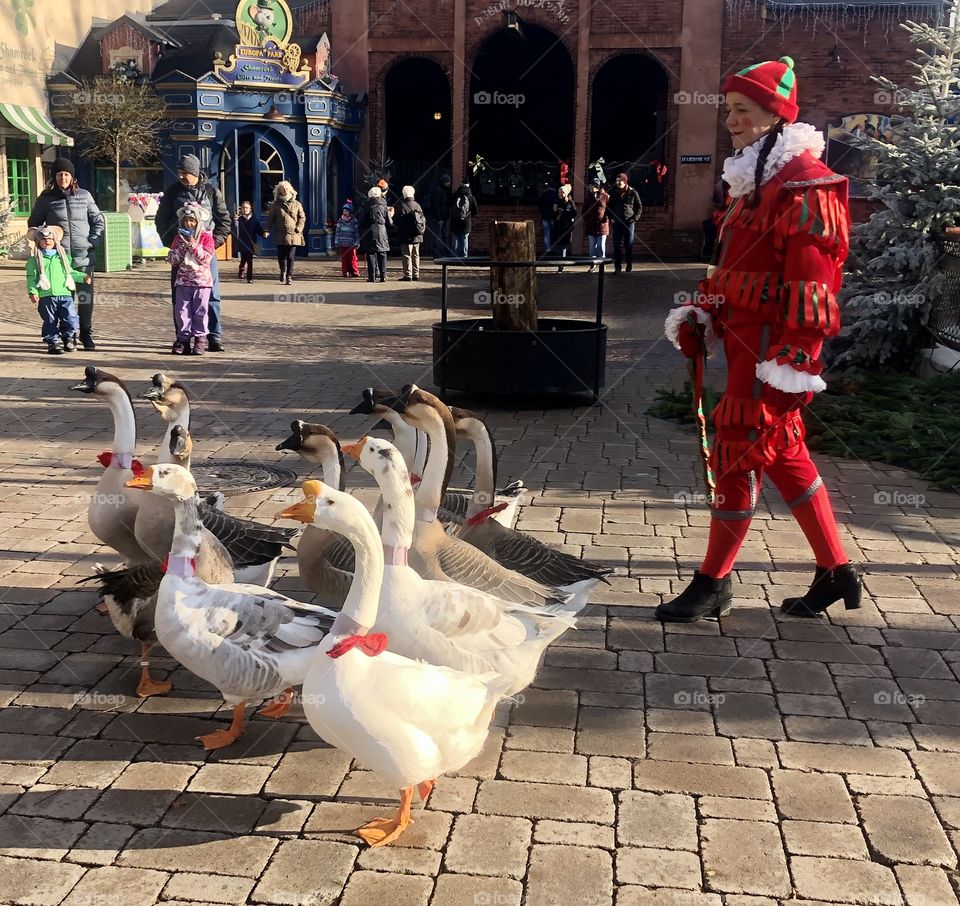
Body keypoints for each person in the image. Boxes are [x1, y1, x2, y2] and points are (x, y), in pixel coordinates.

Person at [660, 55, 861, 623]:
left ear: (776, 113)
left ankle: (713, 582)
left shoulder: (804, 186)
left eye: (741, 110)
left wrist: (795, 360)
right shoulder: (754, 182)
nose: (730, 121)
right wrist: (703, 308)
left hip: (772, 352)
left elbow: (814, 283)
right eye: (728, 111)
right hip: (744, 343)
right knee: (786, 454)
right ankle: (835, 569)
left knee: (737, 452)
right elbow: (733, 266)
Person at [156, 154, 231, 351]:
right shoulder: (173, 192)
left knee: (210, 296)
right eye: (179, 172)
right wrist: (172, 243)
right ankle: (182, 338)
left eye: (186, 172)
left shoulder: (211, 192)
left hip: (206, 255)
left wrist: (212, 245)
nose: (181, 176)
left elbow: (224, 220)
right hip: (181, 253)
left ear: (196, 173)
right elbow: (161, 219)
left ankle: (213, 337)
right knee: (180, 298)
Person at [28, 158, 103, 350]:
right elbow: (33, 224)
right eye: (59, 174)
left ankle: (86, 333)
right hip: (59, 262)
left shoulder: (84, 196)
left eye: (66, 174)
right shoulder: (46, 199)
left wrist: (92, 241)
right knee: (63, 302)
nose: (63, 178)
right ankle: (68, 336)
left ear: (72, 177)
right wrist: (43, 242)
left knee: (85, 300)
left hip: (84, 257)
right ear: (54, 177)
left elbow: (98, 221)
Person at [27, 225, 90, 355]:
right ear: (38, 242)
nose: (47, 241)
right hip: (46, 295)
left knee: (71, 317)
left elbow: (70, 272)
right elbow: (31, 277)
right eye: (44, 240)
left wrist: (83, 277)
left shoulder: (62, 258)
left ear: (55, 241)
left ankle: (68, 338)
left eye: (50, 239)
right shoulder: (34, 260)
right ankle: (52, 342)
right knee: (50, 320)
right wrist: (33, 292)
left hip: (64, 294)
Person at [166, 202, 215, 356]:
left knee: (200, 311)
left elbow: (206, 258)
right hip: (183, 281)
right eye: (186, 221)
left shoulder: (206, 237)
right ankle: (183, 340)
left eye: (192, 221)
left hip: (201, 282)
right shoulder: (178, 238)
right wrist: (181, 248)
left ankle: (200, 340)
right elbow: (172, 259)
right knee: (182, 311)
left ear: (198, 222)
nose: (189, 224)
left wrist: (194, 246)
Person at [263, 181, 306, 285]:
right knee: (281, 257)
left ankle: (289, 276)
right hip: (281, 235)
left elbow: (302, 217)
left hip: (294, 235)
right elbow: (270, 219)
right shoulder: (276, 205)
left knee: (291, 257)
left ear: (290, 189)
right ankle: (283, 271)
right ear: (279, 191)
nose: (285, 190)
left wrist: (299, 228)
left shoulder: (297, 204)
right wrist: (266, 230)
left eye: (286, 188)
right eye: (282, 189)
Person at [607, 172, 642, 274]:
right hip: (617, 222)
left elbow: (639, 207)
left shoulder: (633, 192)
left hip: (629, 222)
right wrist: (611, 218)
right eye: (617, 181)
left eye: (620, 181)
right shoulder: (613, 192)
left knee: (628, 244)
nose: (617, 183)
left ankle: (629, 263)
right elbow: (609, 207)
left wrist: (634, 218)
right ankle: (617, 267)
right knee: (617, 245)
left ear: (625, 181)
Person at [359, 186, 392, 282]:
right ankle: (383, 276)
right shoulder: (384, 206)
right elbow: (389, 222)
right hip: (381, 231)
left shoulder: (366, 206)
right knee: (382, 253)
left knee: (371, 254)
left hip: (369, 232)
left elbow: (361, 222)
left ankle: (372, 276)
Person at [397, 185, 426, 281]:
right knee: (416, 255)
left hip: (406, 236)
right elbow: (422, 220)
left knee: (406, 255)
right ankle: (416, 274)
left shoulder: (402, 205)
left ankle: (408, 274)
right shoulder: (417, 205)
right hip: (417, 235)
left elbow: (399, 221)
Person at [233, 200, 264, 283]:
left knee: (250, 261)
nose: (245, 209)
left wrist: (264, 234)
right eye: (243, 208)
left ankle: (249, 277)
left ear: (250, 209)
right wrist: (235, 221)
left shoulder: (254, 220)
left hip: (251, 243)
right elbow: (235, 229)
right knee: (243, 259)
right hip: (242, 242)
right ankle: (241, 269)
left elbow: (259, 230)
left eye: (247, 208)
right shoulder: (239, 219)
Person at [583, 178, 609, 271]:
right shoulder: (588, 198)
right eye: (590, 185)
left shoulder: (605, 196)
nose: (590, 187)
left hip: (602, 226)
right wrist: (587, 220)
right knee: (592, 247)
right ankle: (592, 264)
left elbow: (609, 209)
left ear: (597, 187)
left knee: (601, 246)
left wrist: (605, 218)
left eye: (593, 185)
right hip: (591, 226)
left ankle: (602, 264)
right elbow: (584, 211)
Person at [426, 173, 452, 257]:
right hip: (439, 217)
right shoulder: (438, 191)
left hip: (443, 216)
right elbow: (436, 205)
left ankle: (445, 252)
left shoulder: (443, 190)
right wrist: (439, 217)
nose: (449, 183)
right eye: (448, 182)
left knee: (443, 235)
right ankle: (437, 252)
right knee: (438, 236)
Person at [450, 182, 478, 258]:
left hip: (455, 221)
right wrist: (468, 215)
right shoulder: (471, 197)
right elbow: (476, 211)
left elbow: (449, 206)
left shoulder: (455, 196)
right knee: (465, 239)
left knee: (455, 239)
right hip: (466, 222)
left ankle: (454, 257)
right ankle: (464, 256)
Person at [553, 184, 577, 273]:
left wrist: (564, 212)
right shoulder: (556, 201)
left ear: (565, 193)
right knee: (559, 245)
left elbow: (574, 213)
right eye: (559, 192)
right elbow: (553, 214)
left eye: (562, 192)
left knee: (563, 246)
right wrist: (555, 211)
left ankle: (561, 265)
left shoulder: (570, 202)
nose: (560, 194)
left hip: (566, 226)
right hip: (558, 226)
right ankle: (560, 263)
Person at [334, 201, 360, 277]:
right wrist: (337, 241)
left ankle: (354, 271)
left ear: (350, 212)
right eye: (344, 211)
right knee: (344, 259)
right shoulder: (340, 220)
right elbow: (337, 231)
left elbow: (356, 232)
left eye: (346, 211)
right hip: (343, 242)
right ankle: (345, 272)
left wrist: (357, 242)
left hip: (351, 243)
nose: (344, 212)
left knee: (352, 258)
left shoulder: (354, 221)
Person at [538, 184, 559, 257]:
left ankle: (547, 250)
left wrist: (543, 214)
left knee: (546, 234)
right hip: (552, 217)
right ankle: (555, 249)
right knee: (554, 233)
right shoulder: (555, 195)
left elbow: (540, 205)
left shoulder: (543, 195)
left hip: (544, 217)